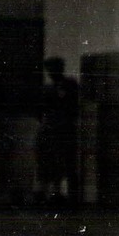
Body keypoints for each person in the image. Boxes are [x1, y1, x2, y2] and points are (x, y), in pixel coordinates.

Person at [36, 57, 80, 204]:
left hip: (60, 127)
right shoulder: (52, 88)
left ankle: (56, 191)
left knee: (60, 161)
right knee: (53, 161)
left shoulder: (65, 86)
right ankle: (54, 191)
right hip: (56, 127)